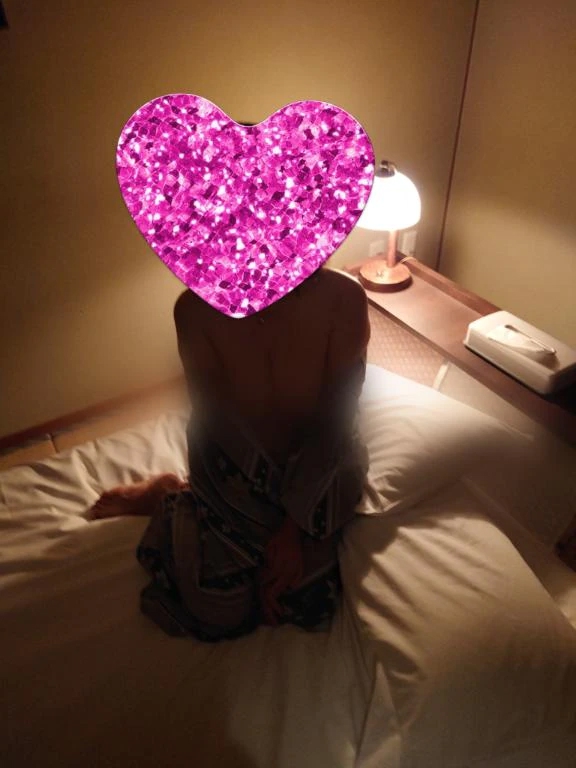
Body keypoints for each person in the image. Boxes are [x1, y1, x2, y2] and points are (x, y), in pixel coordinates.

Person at [90, 267, 371, 640]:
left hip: (319, 460)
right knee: (219, 607)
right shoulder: (193, 309)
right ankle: (171, 494)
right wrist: (255, 532)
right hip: (236, 461)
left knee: (309, 600)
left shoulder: (344, 299)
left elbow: (335, 423)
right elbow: (215, 420)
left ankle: (248, 525)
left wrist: (292, 528)